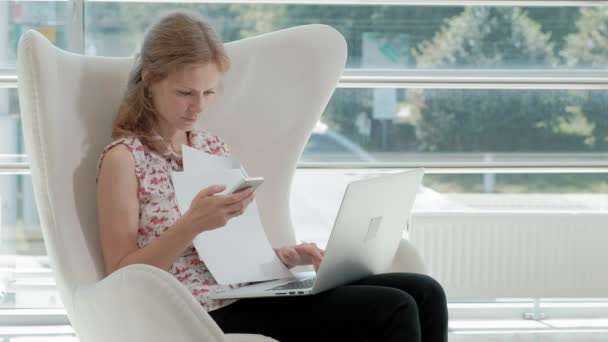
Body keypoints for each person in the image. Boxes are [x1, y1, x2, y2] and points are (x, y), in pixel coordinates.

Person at [96, 10, 448, 342]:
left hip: (249, 292)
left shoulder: (211, 147)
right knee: (394, 308)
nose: (198, 107)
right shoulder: (125, 159)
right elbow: (121, 274)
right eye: (185, 93)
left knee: (425, 292)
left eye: (208, 92)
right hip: (199, 311)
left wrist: (282, 258)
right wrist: (190, 224)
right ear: (149, 81)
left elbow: (234, 252)